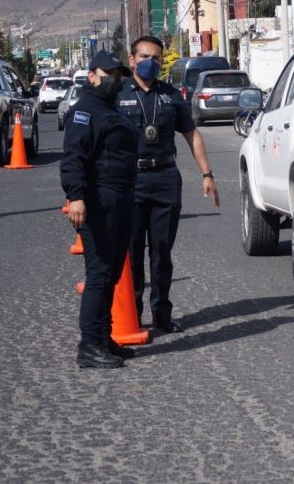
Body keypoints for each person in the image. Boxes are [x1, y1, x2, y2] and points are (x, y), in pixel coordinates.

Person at [117, 36, 219, 333]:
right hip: (130, 181)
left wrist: (207, 174)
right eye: (145, 56)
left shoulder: (171, 96)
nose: (152, 62)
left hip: (164, 178)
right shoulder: (118, 94)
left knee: (162, 251)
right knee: (133, 251)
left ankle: (161, 313)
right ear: (132, 59)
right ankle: (132, 314)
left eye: (157, 58)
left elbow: (191, 134)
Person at [60, 51, 137, 368]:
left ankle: (105, 339)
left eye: (119, 75)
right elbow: (74, 157)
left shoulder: (111, 109)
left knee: (112, 274)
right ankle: (89, 346)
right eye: (110, 74)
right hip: (98, 201)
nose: (115, 80)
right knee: (99, 275)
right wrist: (76, 196)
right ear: (92, 75)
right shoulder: (85, 112)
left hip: (120, 198)